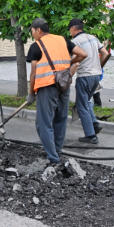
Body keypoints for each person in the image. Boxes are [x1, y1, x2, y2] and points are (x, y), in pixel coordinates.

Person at [26, 18, 87, 164]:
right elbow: (83, 54)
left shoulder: (36, 46)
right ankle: (57, 151)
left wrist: (31, 94)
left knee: (43, 123)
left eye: (32, 31)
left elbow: (33, 73)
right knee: (60, 119)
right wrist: (67, 65)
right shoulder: (62, 40)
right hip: (63, 84)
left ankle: (53, 158)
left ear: (38, 30)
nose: (32, 34)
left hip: (47, 87)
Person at [69, 18, 110, 144]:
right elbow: (105, 53)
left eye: (70, 29)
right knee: (86, 101)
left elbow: (75, 63)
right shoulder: (93, 38)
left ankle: (91, 135)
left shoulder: (74, 41)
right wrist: (99, 67)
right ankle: (94, 124)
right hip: (96, 75)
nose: (70, 32)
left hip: (84, 76)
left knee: (81, 106)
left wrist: (69, 76)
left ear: (74, 28)